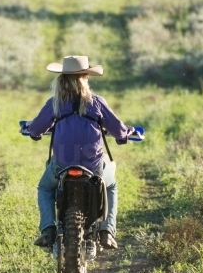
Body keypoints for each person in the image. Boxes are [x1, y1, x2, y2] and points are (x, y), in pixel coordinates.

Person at [26, 55, 134, 250]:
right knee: (111, 187)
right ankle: (107, 231)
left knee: (45, 188)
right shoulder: (97, 102)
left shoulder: (55, 103)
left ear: (62, 78)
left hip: (62, 164)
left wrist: (34, 132)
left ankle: (48, 229)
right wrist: (125, 135)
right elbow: (119, 130)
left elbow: (35, 129)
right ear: (85, 77)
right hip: (93, 166)